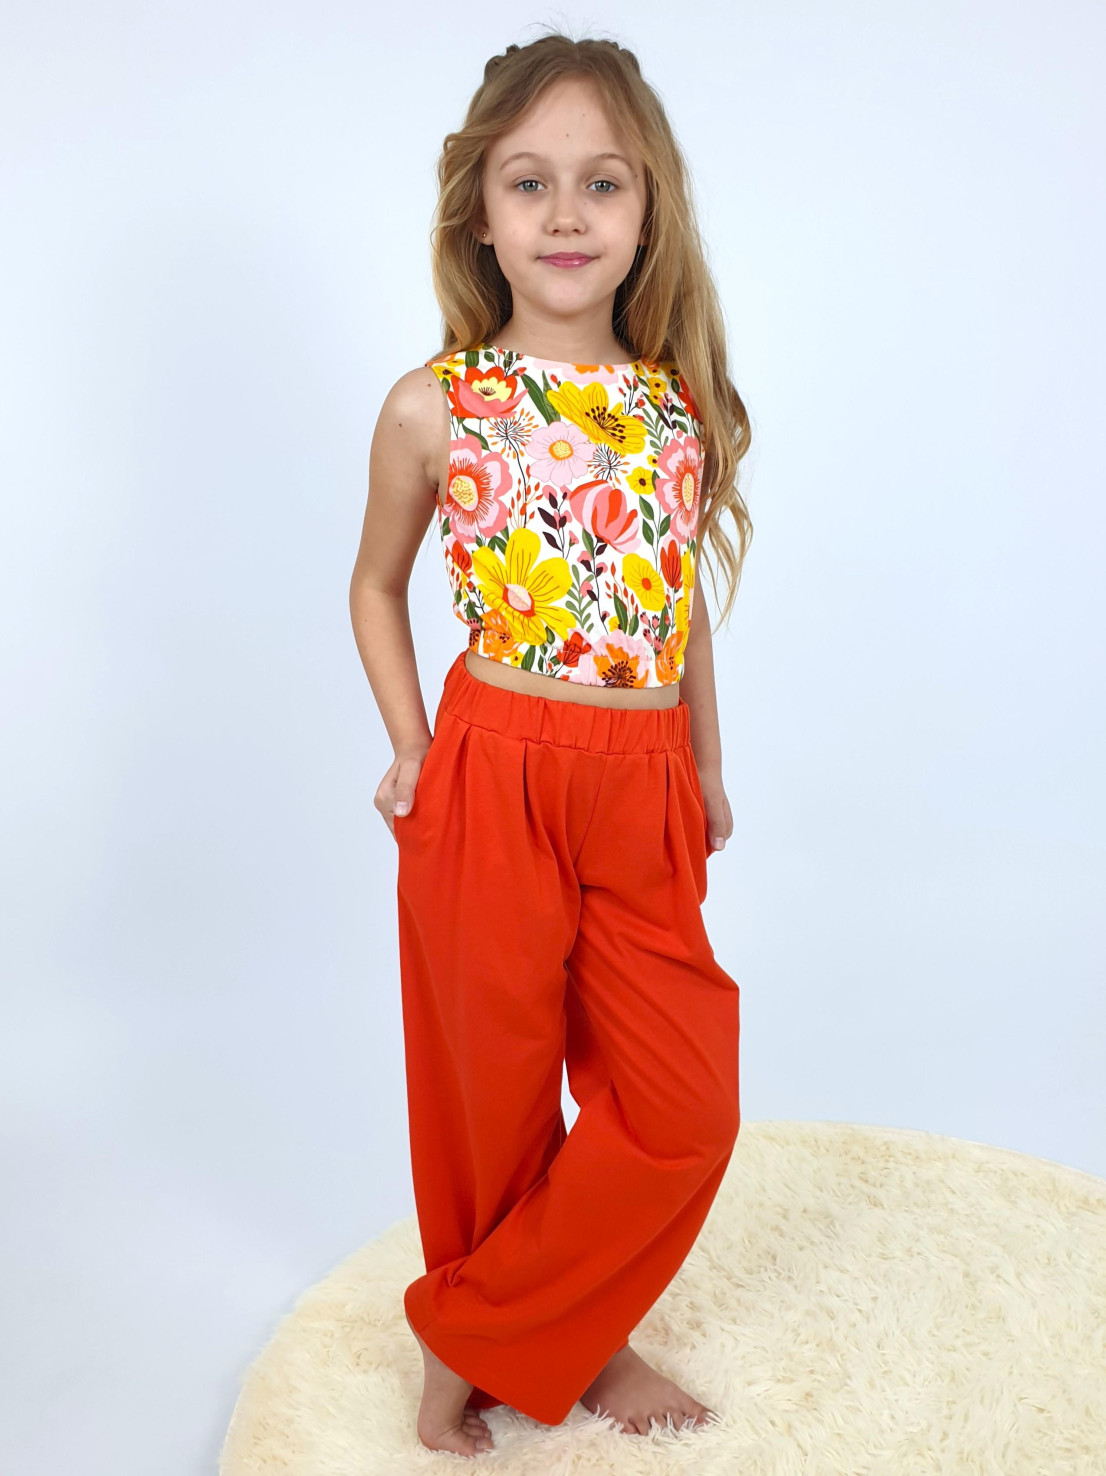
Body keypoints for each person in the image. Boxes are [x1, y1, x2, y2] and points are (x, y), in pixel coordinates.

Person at [349, 30, 754, 1459]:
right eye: (530, 183)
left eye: (602, 183)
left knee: (683, 1105)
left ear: (648, 211)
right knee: (494, 1085)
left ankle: (478, 1324)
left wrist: (703, 763)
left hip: (641, 783)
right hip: (493, 768)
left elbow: (678, 607)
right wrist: (413, 746)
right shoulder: (437, 403)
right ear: (480, 211)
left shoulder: (674, 406)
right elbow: (375, 586)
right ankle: (560, 1337)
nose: (566, 214)